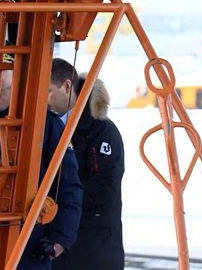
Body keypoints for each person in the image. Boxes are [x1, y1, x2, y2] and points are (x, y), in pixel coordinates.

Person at [0, 38, 82, 270]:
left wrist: (61, 238)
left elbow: (67, 182)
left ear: (16, 73)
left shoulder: (44, 122)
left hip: (27, 240)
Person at [49, 58, 125, 269]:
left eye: (48, 91)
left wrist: (58, 198)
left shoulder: (102, 131)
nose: (43, 99)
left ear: (67, 87)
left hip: (92, 246)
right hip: (56, 243)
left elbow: (105, 187)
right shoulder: (47, 125)